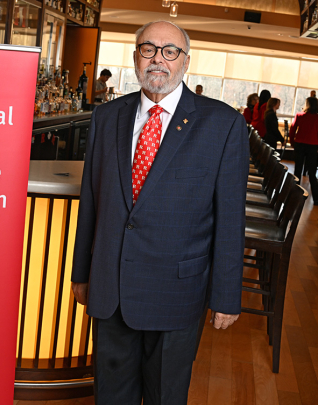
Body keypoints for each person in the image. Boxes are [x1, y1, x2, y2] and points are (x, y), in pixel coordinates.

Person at [71, 20, 248, 405]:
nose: (158, 60)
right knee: (111, 396)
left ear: (186, 62)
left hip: (177, 292)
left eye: (170, 51)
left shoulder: (223, 125)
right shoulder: (106, 117)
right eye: (148, 49)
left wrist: (226, 295)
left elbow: (231, 220)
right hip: (111, 288)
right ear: (136, 57)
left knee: (164, 396)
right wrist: (82, 274)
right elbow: (92, 202)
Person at [290, 97, 318, 204]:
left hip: (300, 144)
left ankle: (294, 195)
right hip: (313, 146)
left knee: (297, 170)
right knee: (312, 172)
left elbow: (293, 130)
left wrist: (292, 143)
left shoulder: (299, 115)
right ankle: (316, 198)